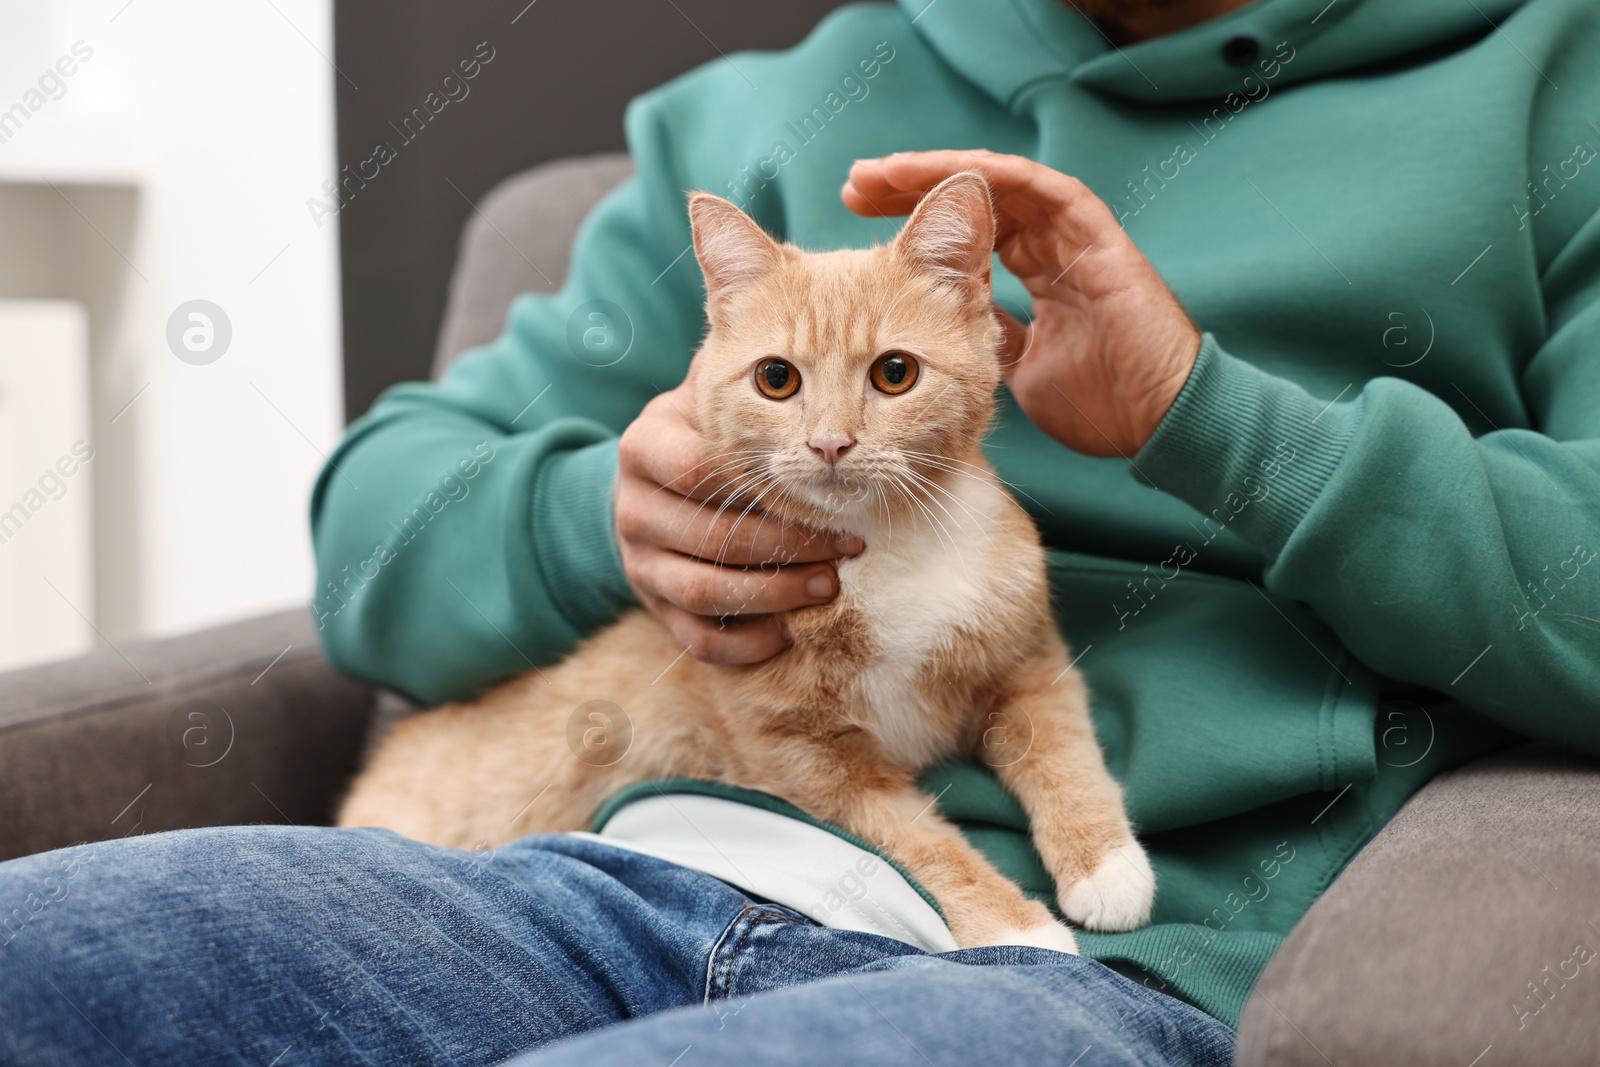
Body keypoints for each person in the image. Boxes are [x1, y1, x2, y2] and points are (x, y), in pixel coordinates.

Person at [4, 0, 1598, 1063]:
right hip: (613, 878)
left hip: (1087, 965)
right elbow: (369, 539)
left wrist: (1214, 416)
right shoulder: (772, 110)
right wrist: (591, 518)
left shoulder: (1551, 84)